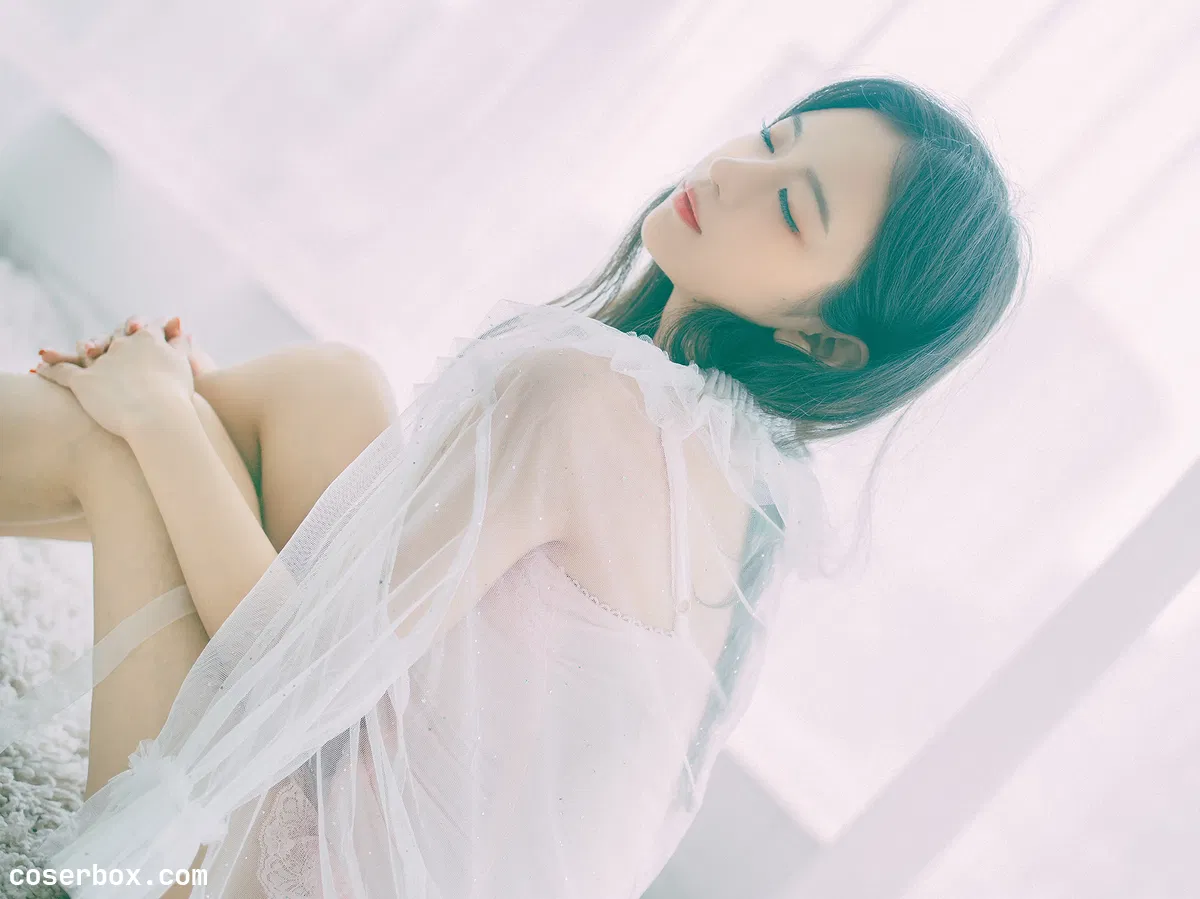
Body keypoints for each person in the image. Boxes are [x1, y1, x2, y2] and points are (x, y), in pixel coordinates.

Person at [0, 76, 1026, 897]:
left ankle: (132, 410)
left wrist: (161, 418)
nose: (732, 173)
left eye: (791, 207)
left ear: (824, 338)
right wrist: (175, 415)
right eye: (771, 138)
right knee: (332, 386)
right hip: (354, 780)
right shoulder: (739, 474)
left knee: (125, 449)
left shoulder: (582, 401)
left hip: (259, 875)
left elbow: (290, 671)